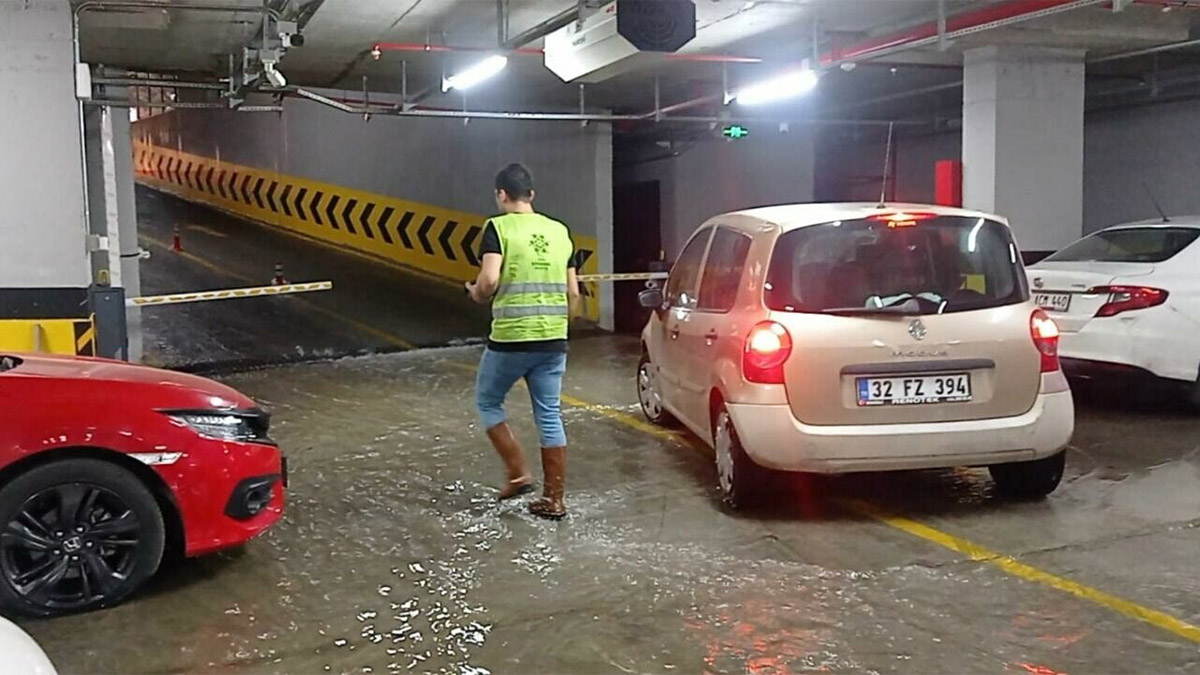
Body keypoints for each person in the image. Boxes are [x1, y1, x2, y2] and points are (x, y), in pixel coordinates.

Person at [466, 163, 581, 520]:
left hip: (512, 338)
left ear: (502, 194)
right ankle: (554, 499)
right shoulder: (560, 232)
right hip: (553, 338)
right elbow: (574, 294)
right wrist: (561, 326)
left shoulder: (497, 228)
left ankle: (518, 474)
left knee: (488, 401)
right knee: (549, 414)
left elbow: (489, 280)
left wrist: (475, 293)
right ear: (531, 194)